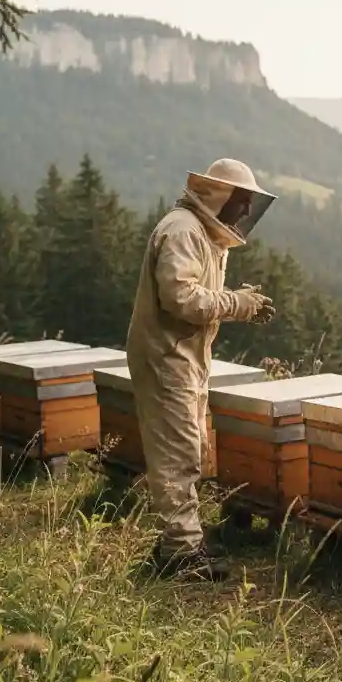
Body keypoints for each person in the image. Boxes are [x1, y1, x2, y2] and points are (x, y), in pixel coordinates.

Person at [126, 158, 277, 580]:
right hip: (166, 356)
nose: (245, 213)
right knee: (178, 453)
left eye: (250, 204)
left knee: (188, 447)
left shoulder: (204, 235)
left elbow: (200, 293)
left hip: (181, 355)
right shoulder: (183, 230)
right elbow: (181, 298)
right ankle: (180, 555)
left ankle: (179, 542)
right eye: (241, 202)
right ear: (218, 196)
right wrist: (237, 304)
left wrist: (237, 298)